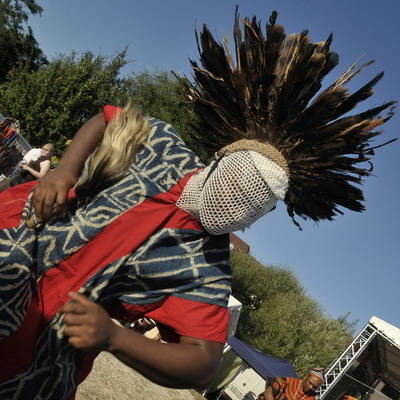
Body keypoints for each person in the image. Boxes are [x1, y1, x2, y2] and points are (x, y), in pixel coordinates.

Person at [0, 9, 395, 400]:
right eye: (241, 183)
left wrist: (113, 336)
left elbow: (204, 361)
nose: (241, 203)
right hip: (14, 235)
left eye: (260, 204)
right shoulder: (164, 146)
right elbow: (108, 120)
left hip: (36, 353)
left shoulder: (206, 266)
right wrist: (64, 170)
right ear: (219, 161)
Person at [260, 369, 325, 400]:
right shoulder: (288, 381)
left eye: (315, 387)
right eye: (310, 383)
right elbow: (268, 392)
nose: (311, 387)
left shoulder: (313, 398)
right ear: (306, 377)